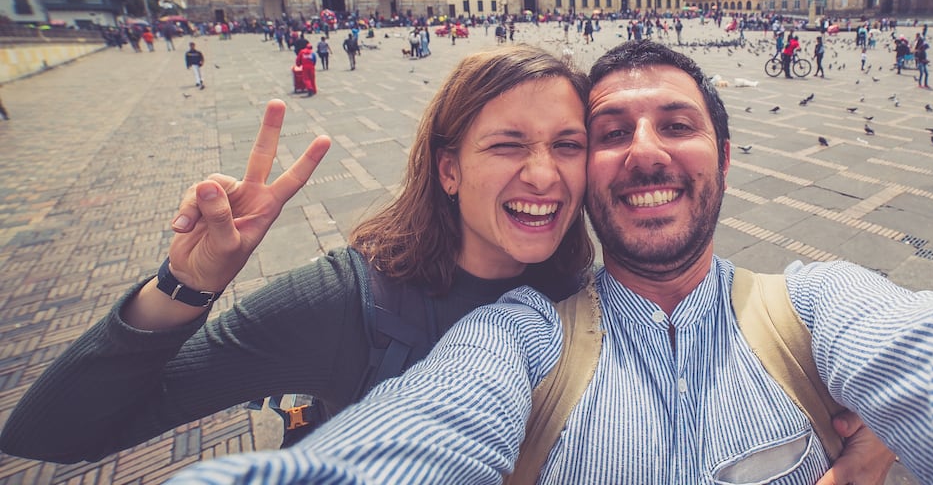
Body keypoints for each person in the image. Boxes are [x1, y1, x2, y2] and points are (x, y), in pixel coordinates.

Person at [165, 40, 933, 485]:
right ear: (583, 180)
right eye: (608, 131)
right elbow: (374, 458)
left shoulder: (821, 308)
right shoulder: (509, 344)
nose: (644, 149)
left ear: (725, 155)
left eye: (675, 123)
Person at [0, 47, 598, 466]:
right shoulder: (346, 302)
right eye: (507, 144)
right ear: (448, 169)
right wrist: (184, 285)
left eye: (568, 145)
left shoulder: (582, 292)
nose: (543, 174)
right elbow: (52, 434)